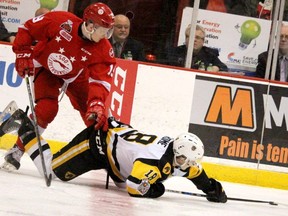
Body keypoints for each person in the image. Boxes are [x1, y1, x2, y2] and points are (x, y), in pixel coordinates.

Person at [0, 107, 227, 202]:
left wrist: (214, 189)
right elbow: (134, 187)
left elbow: (199, 175)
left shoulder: (183, 157)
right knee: (52, 172)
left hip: (119, 153)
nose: (184, 165)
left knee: (123, 179)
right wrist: (155, 190)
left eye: (188, 162)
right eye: (182, 160)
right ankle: (23, 123)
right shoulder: (155, 161)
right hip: (99, 144)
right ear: (176, 152)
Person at [1, 3, 116, 171]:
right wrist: (22, 52)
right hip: (45, 68)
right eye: (104, 30)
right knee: (47, 109)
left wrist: (97, 102)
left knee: (95, 118)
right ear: (91, 25)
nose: (106, 35)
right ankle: (16, 150)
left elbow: (101, 80)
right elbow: (27, 28)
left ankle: (107, 156)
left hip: (75, 76)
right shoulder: (60, 21)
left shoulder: (103, 48)